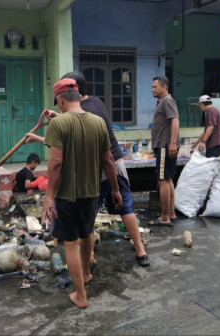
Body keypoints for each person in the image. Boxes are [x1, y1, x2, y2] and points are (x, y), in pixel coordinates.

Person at [41, 78, 123, 309]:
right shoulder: (98, 123)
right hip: (92, 192)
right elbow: (109, 160)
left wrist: (48, 196)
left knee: (70, 243)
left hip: (67, 195)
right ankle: (86, 273)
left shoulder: (59, 124)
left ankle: (81, 296)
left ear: (61, 100)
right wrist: (115, 190)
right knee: (88, 232)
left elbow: (56, 163)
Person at [61, 71, 150, 267]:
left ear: (73, 90)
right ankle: (140, 250)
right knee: (126, 207)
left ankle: (89, 256)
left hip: (99, 167)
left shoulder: (82, 112)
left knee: (89, 213)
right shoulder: (96, 102)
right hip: (117, 161)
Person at [149, 76, 180, 227]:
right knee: (168, 180)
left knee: (162, 181)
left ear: (164, 87)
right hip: (165, 146)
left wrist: (172, 143)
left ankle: (165, 217)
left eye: (155, 87)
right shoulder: (163, 101)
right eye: (152, 87)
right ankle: (171, 213)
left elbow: (175, 120)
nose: (153, 89)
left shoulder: (167, 100)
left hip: (164, 146)